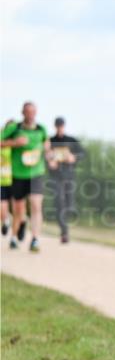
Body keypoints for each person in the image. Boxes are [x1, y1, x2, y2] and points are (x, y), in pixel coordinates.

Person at [2, 102, 50, 252]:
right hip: (18, 174)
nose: (30, 115)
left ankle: (35, 239)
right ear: (22, 113)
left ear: (36, 113)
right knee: (19, 209)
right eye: (28, 112)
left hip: (36, 173)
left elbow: (46, 144)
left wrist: (49, 152)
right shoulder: (14, 128)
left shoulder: (41, 129)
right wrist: (14, 143)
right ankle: (15, 237)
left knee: (36, 204)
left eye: (33, 112)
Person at [48, 116, 85, 244]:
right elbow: (43, 155)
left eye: (61, 125)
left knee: (69, 205)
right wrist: (49, 161)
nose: (59, 128)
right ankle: (64, 232)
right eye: (57, 126)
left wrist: (73, 157)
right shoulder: (50, 141)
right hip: (55, 177)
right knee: (59, 203)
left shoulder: (71, 140)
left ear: (64, 126)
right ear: (55, 126)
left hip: (69, 175)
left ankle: (66, 223)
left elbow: (83, 153)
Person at [0, 118, 16, 236]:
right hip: (3, 179)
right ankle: (5, 221)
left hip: (17, 179)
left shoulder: (19, 144)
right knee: (2, 205)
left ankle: (21, 224)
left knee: (18, 206)